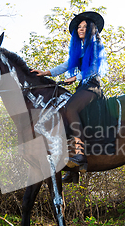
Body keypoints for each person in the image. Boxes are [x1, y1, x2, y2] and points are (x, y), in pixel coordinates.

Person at [31, 11, 108, 179]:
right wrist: (45, 73)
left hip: (92, 87)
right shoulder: (80, 50)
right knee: (66, 114)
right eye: (79, 27)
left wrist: (75, 77)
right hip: (82, 87)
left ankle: (80, 155)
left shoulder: (95, 46)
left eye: (84, 27)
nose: (81, 29)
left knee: (70, 108)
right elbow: (66, 65)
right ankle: (74, 170)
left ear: (91, 29)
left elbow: (93, 70)